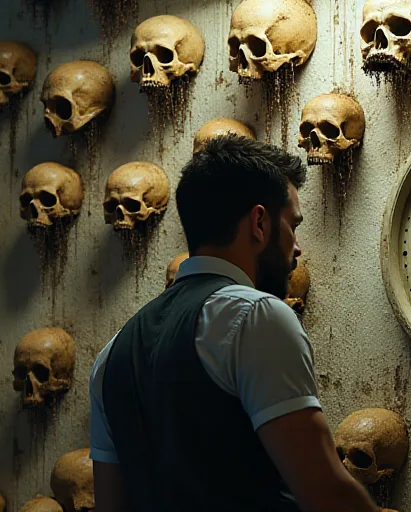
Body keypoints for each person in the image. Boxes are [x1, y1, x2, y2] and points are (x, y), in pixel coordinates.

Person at [88, 135, 388, 512]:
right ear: (259, 222)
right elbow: (327, 494)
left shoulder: (111, 354)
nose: (297, 248)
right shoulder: (254, 318)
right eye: (292, 225)